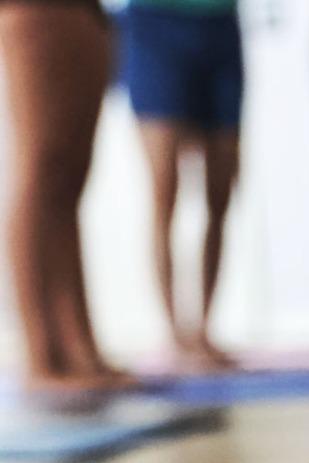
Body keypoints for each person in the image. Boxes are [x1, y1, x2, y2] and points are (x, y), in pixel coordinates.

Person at [0, 0, 130, 391]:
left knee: (67, 184)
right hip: (38, 9)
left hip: (83, 11)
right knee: (42, 174)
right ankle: (42, 358)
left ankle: (79, 349)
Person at [122, 0, 243, 369]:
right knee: (164, 189)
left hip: (219, 23)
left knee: (221, 192)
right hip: (154, 24)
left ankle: (204, 330)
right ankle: (174, 334)